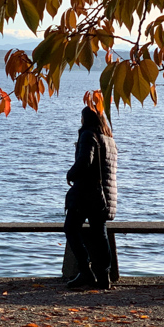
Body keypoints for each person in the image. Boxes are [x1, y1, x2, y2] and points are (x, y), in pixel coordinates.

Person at [64, 106, 117, 289]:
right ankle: (104, 276)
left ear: (85, 119)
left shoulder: (88, 135)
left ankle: (85, 271)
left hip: (88, 193)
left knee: (71, 228)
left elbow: (85, 162)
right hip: (105, 195)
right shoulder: (109, 140)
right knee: (99, 233)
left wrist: (70, 174)